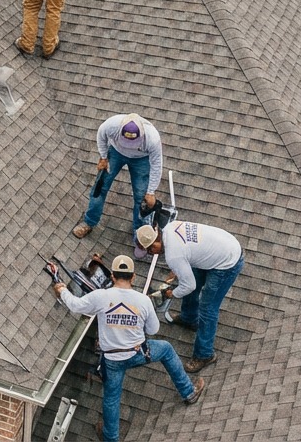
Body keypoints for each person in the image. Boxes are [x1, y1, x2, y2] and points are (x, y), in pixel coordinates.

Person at [51, 254, 206, 442]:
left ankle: (111, 437)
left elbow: (75, 305)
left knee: (111, 397)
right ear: (133, 277)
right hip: (138, 354)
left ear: (113, 277)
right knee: (165, 348)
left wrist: (62, 290)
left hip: (112, 360)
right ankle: (188, 392)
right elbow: (153, 329)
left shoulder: (101, 297)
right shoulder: (143, 301)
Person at [136, 221, 244, 374]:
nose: (151, 254)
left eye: (149, 251)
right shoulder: (170, 227)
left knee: (208, 309)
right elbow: (186, 253)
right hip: (222, 247)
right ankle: (189, 318)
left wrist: (171, 294)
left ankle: (205, 354)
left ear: (155, 243)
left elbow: (189, 286)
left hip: (227, 263)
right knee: (190, 277)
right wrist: (177, 271)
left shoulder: (173, 255)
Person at [73, 114, 163, 251]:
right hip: (116, 152)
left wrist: (151, 191)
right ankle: (89, 222)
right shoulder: (111, 125)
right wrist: (103, 157)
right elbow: (101, 135)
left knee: (142, 198)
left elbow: (157, 164)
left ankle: (139, 234)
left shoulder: (152, 138)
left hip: (141, 159)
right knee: (100, 187)